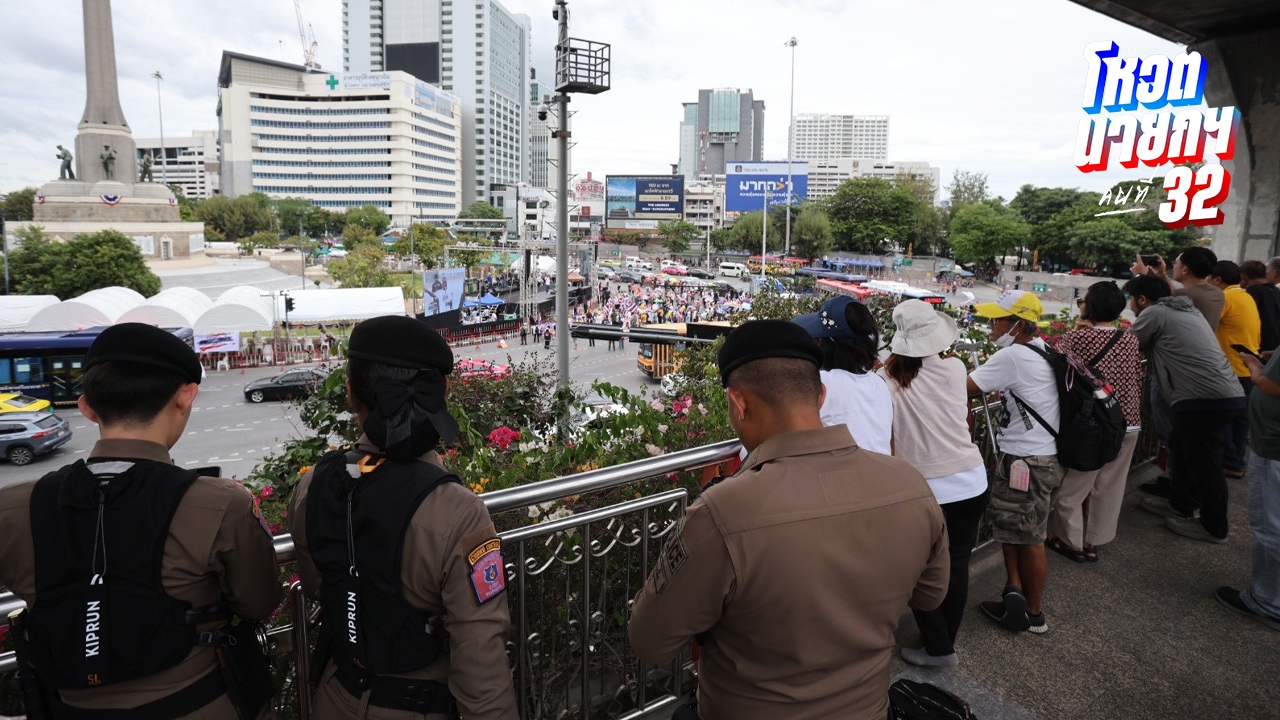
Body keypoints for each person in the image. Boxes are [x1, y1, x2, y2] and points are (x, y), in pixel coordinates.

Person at [628, 320, 948, 720]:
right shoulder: (910, 486)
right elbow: (930, 596)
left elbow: (649, 641)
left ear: (739, 403)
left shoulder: (722, 514)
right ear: (821, 395)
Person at [0, 323, 281, 719]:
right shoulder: (218, 503)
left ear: (86, 407)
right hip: (198, 704)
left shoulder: (13, 507)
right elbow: (259, 601)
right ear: (186, 396)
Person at [288, 315, 518, 719]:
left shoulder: (313, 485)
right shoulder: (458, 510)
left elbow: (316, 585)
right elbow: (481, 661)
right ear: (442, 391)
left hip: (334, 694)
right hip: (419, 705)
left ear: (350, 394)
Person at [880, 300, 988, 667]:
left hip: (926, 491)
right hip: (972, 480)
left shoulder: (886, 381)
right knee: (956, 565)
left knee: (913, 568)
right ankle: (943, 643)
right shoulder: (956, 368)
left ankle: (939, 648)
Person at [966, 290, 1063, 634]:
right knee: (1014, 529)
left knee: (1032, 536)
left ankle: (1033, 615)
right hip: (1041, 456)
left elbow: (964, 387)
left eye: (998, 319)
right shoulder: (1042, 348)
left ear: (1018, 325)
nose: (991, 324)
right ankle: (1014, 595)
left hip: (1027, 460)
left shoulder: (1013, 357)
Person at [1125, 274, 1246, 543]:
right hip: (1222, 394)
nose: (1130, 305)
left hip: (1203, 399)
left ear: (1142, 299)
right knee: (1181, 447)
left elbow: (1126, 346)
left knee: (1205, 464)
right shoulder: (1187, 310)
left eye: (1131, 300)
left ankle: (1214, 527)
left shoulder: (1155, 312)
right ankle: (1181, 504)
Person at [1046, 282, 1144, 563]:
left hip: (1096, 426)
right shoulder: (1129, 338)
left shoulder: (1080, 338)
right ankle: (1093, 541)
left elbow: (1056, 356)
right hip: (1128, 423)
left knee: (1072, 490)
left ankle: (1071, 542)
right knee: (1110, 486)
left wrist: (1079, 324)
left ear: (1090, 305)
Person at [792, 295, 893, 454]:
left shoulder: (822, 384)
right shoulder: (879, 383)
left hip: (844, 476)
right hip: (882, 473)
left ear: (825, 344)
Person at [1225, 348, 1280, 630]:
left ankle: (1268, 603)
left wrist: (1255, 369)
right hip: (1271, 442)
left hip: (1274, 447)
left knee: (1270, 526)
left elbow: (1272, 386)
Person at [1208, 260, 1261, 479]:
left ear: (1217, 280)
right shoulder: (1246, 296)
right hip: (1247, 367)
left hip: (1230, 368)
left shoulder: (1225, 297)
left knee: (1223, 419)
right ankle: (1236, 463)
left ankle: (1229, 461)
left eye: (1209, 279)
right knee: (1240, 419)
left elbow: (1205, 324)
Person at [1241, 258, 1280, 352]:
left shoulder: (1254, 291)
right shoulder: (1275, 291)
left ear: (1244, 277)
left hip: (1262, 346)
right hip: (1276, 345)